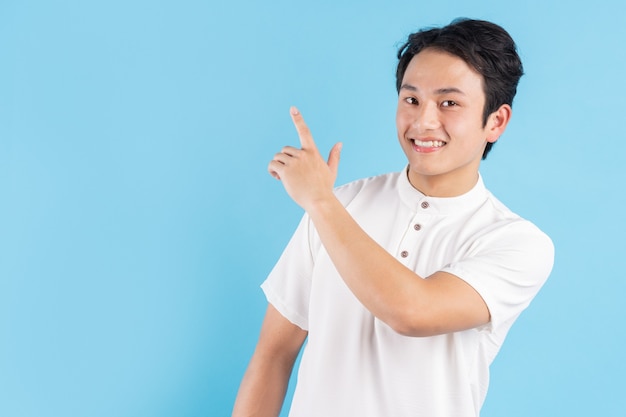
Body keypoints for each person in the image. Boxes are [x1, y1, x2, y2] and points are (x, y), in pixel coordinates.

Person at [232, 18, 554, 417]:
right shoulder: (343, 204)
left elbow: (413, 312)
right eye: (411, 99)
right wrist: (326, 203)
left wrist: (320, 201)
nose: (423, 122)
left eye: (449, 103)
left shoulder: (516, 243)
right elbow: (273, 355)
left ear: (496, 121)